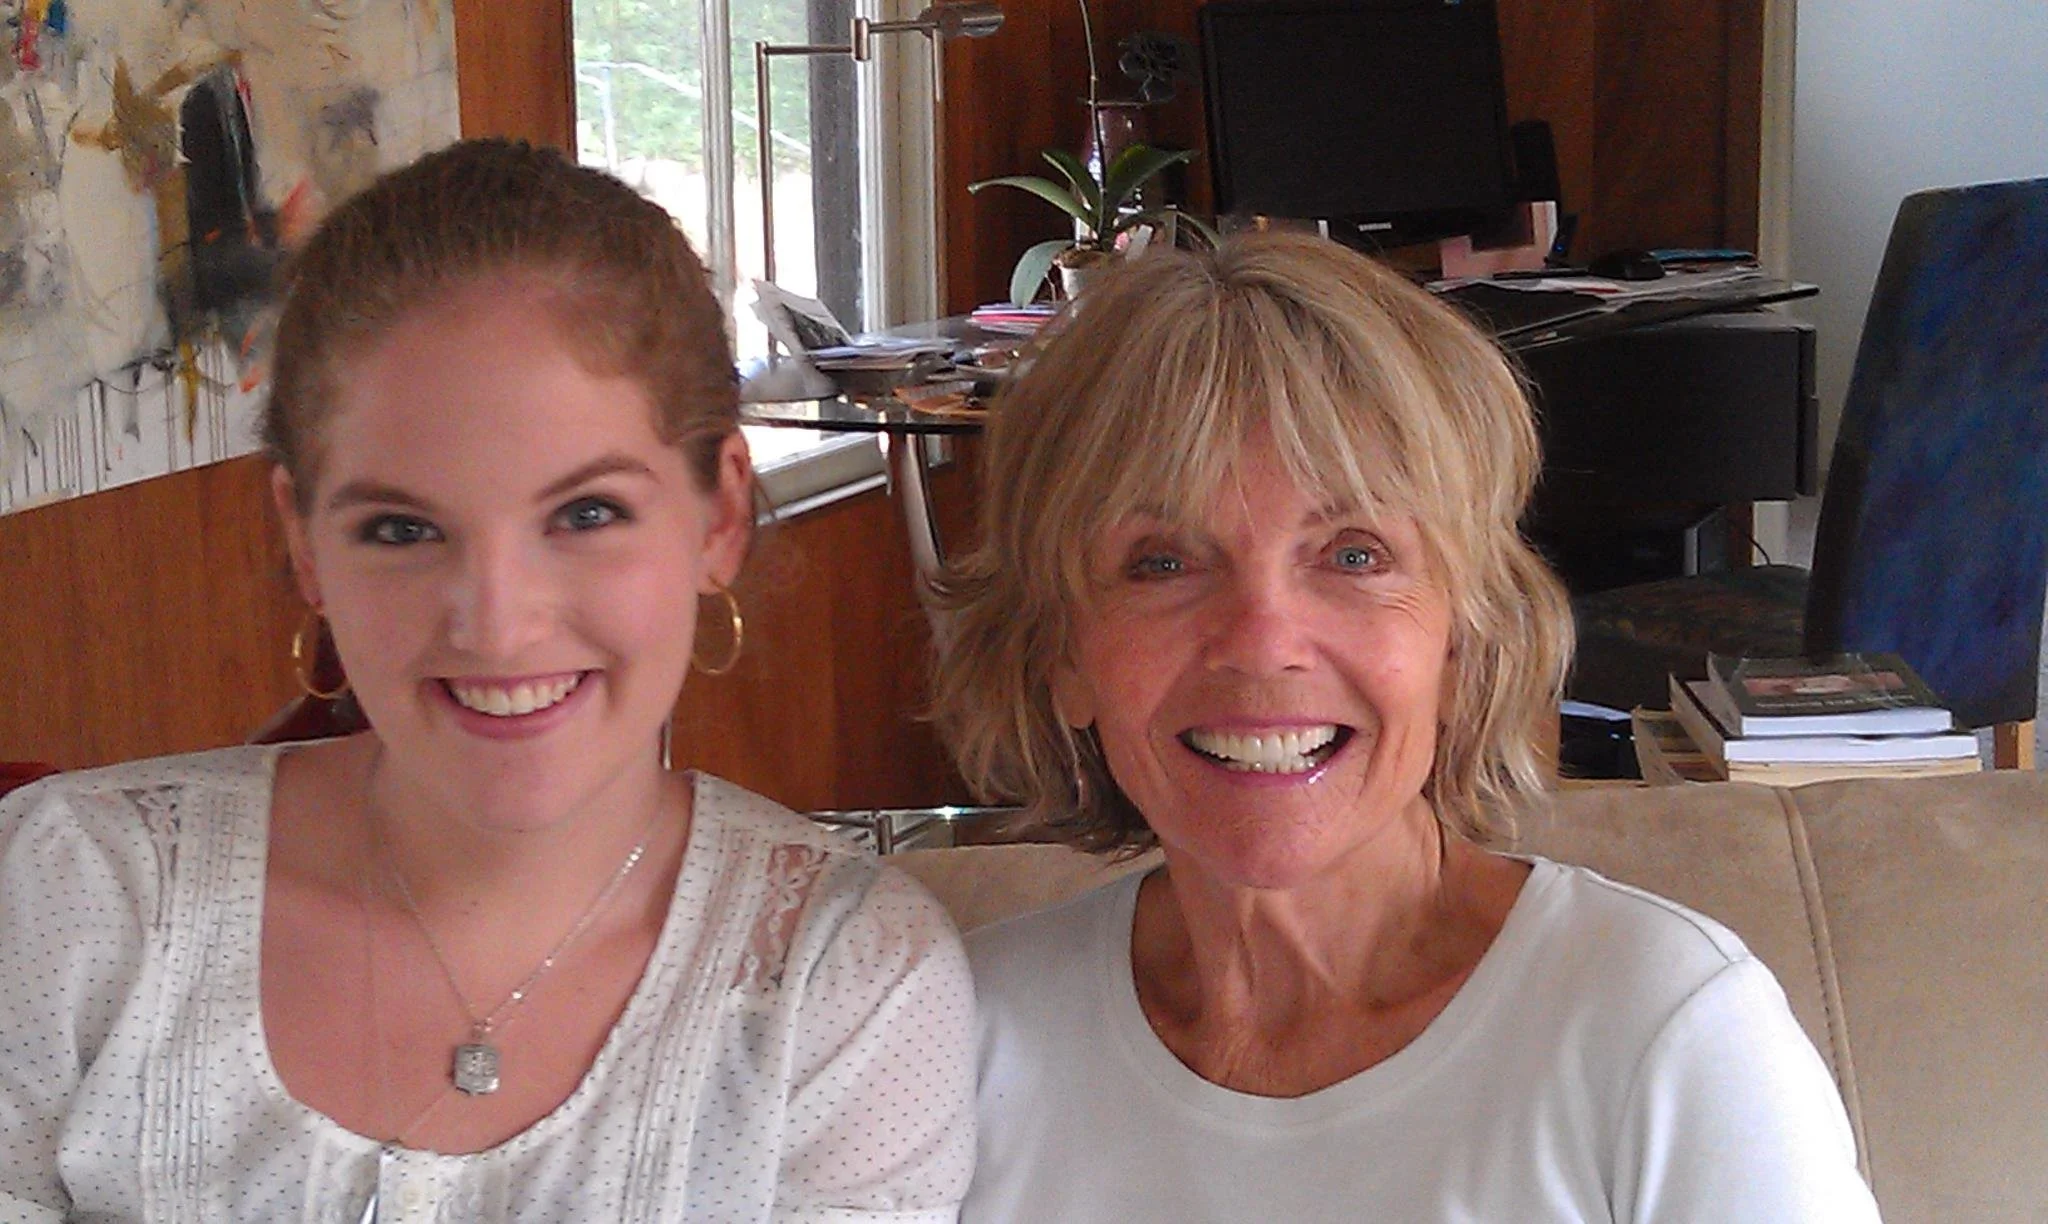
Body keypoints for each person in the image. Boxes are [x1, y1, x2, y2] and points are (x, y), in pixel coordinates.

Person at [0, 139, 974, 1222]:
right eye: (403, 528)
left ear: (720, 514)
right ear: (307, 544)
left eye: (586, 514)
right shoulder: (72, 900)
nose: (498, 626)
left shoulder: (836, 989)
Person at [932, 232, 1880, 1222]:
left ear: (1462, 636)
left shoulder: (1663, 1033)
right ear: (1060, 658)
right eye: (1161, 562)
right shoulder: (948, 1045)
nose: (1261, 644)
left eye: (1351, 555)